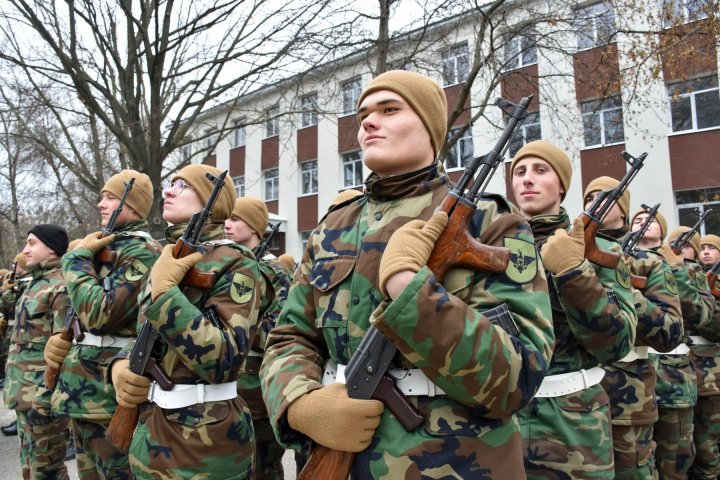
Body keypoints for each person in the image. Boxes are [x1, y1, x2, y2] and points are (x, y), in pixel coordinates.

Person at [260, 70, 554, 478]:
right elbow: (289, 337)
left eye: (389, 109)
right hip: (343, 455)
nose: (367, 121)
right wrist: (299, 403)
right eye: (363, 113)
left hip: (457, 465)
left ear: (430, 126)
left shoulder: (492, 223)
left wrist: (409, 290)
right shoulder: (333, 227)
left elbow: (516, 379)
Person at [109, 164, 264, 479]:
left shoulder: (236, 264)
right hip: (150, 433)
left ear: (211, 199)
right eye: (169, 183)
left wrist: (165, 294)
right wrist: (121, 365)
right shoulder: (168, 257)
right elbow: (146, 336)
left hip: (204, 444)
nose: (168, 191)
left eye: (181, 185)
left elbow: (225, 359)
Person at [510, 141, 637, 478]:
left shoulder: (599, 251)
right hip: (502, 423)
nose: (527, 180)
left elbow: (616, 345)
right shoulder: (493, 248)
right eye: (519, 172)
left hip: (572, 424)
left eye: (540, 170)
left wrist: (573, 273)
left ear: (562, 186)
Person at [45, 170, 162, 479]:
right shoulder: (104, 247)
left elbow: (101, 314)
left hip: (107, 391)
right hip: (82, 391)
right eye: (102, 197)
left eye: (110, 197)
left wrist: (75, 262)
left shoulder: (142, 251)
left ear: (134, 206)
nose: (100, 203)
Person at [224, 196, 292, 480]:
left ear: (253, 227)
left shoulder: (274, 272)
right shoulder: (227, 266)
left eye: (235, 219)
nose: (226, 225)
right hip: (229, 386)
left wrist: (234, 325)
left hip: (258, 389)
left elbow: (276, 334)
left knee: (264, 470)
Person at [622, 208, 688, 479]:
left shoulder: (668, 267)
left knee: (675, 460)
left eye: (648, 221)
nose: (642, 224)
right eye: (636, 220)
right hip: (623, 384)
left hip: (675, 376)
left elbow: (694, 318)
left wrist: (679, 271)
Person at [4, 225, 70, 479]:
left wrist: (46, 396)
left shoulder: (61, 286)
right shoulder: (36, 283)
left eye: (31, 243)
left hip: (43, 396)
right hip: (24, 394)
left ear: (51, 248)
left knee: (48, 471)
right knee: (29, 468)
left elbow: (64, 349)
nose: (25, 250)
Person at [665, 228, 720, 480]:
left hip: (709, 373)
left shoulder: (701, 279)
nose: (706, 252)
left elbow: (711, 323)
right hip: (677, 371)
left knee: (707, 444)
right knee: (679, 446)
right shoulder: (664, 271)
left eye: (711, 248)